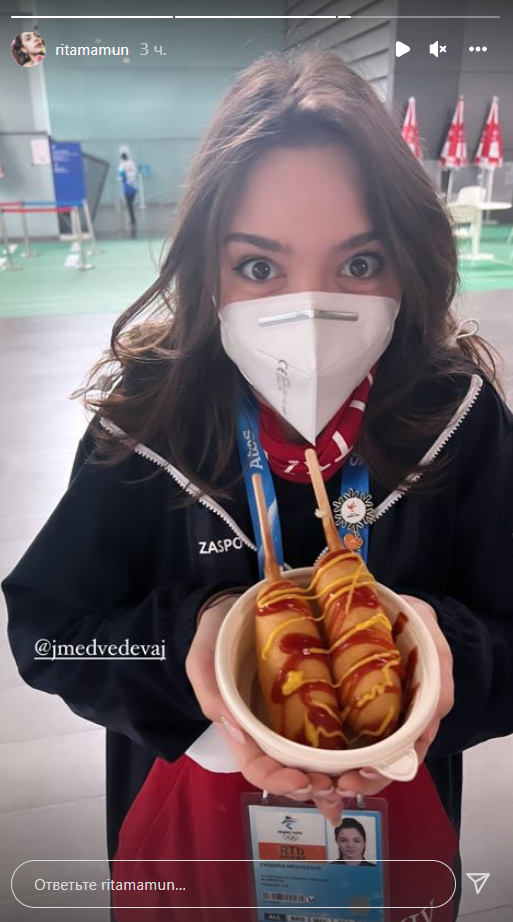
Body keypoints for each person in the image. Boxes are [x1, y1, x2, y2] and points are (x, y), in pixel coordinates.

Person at [3, 49, 513, 922]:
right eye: (259, 267)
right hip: (186, 841)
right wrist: (184, 643)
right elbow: (52, 635)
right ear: (207, 267)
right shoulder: (148, 425)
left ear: (408, 262)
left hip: (395, 839)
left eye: (360, 263)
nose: (309, 310)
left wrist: (440, 658)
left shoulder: (454, 420)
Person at [117, 152, 138, 228]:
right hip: (134, 187)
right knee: (130, 204)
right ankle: (133, 220)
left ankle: (133, 220)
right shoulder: (132, 163)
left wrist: (122, 179)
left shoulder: (122, 165)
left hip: (127, 187)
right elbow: (135, 173)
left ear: (122, 158)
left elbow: (120, 177)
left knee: (129, 205)